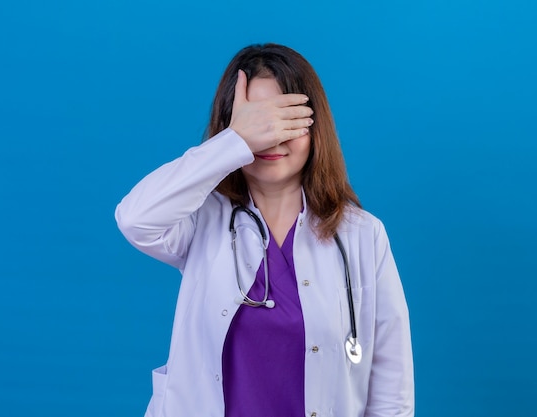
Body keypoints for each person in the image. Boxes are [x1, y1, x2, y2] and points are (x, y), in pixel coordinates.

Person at [115, 43, 414, 417]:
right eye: (257, 122)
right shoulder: (199, 219)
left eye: (286, 119)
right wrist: (234, 143)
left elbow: (391, 389)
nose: (271, 138)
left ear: (315, 125)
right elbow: (134, 219)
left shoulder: (362, 236)